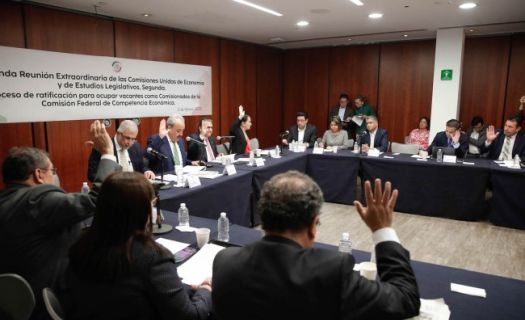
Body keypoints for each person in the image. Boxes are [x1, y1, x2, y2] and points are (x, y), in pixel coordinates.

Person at [212, 171, 420, 319]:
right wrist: (381, 229)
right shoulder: (332, 270)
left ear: (263, 218)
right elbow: (406, 299)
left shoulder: (224, 261)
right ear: (313, 225)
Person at [0, 120, 119, 320]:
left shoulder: (7, 200)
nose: (55, 176)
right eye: (52, 171)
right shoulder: (37, 199)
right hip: (47, 300)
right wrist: (107, 153)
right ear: (39, 175)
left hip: (13, 302)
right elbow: (98, 199)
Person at [63, 172, 212, 319]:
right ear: (141, 210)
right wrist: (206, 288)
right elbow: (191, 316)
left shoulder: (81, 243)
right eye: (152, 204)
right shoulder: (153, 257)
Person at [87, 119, 155, 182]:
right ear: (118, 133)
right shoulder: (103, 147)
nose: (130, 143)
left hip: (134, 188)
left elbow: (142, 166)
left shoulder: (135, 147)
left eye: (133, 139)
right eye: (127, 138)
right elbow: (92, 175)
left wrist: (147, 171)